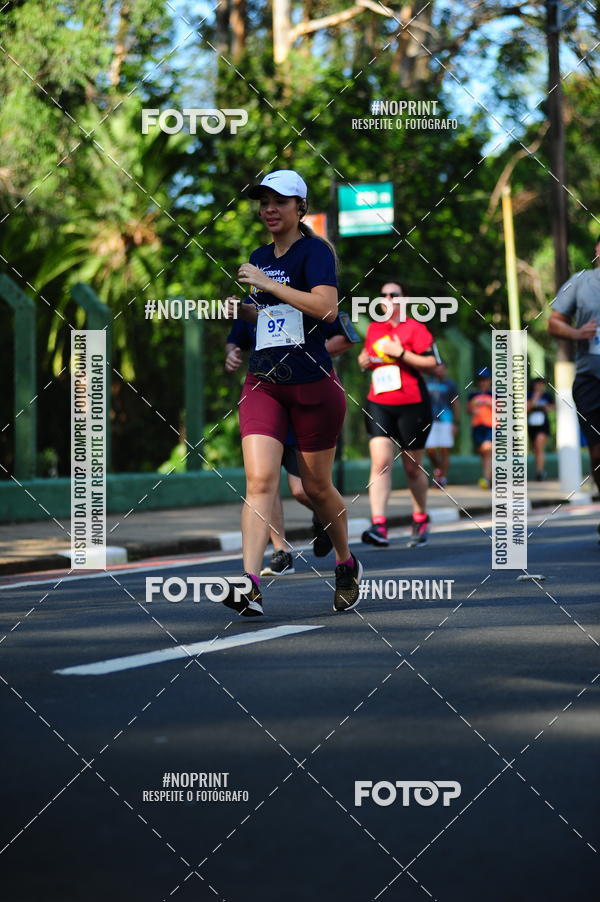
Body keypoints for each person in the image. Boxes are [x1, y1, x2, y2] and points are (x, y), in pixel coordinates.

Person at [222, 169, 364, 616]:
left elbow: (325, 308)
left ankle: (346, 562)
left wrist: (264, 284)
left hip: (313, 384)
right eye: (263, 202)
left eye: (279, 202)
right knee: (259, 481)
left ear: (300, 207)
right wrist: (243, 311)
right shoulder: (258, 254)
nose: (269, 209)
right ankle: (249, 584)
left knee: (317, 486)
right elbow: (271, 316)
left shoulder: (315, 252)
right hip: (264, 381)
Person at [224, 315, 358, 575]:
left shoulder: (309, 295)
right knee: (262, 480)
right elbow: (234, 341)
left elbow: (347, 337)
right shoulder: (254, 299)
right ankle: (279, 552)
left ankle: (326, 521)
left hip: (307, 397)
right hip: (267, 398)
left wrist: (307, 355)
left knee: (304, 489)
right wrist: (232, 353)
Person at [358, 282, 439, 548]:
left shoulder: (415, 328)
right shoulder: (374, 328)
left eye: (395, 294)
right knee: (380, 461)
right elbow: (367, 354)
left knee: (411, 467)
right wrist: (363, 360)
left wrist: (402, 353)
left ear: (405, 300)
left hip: (412, 403)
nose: (388, 298)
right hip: (378, 401)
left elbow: (434, 364)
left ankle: (420, 516)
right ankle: (379, 525)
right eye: (383, 294)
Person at [549, 236, 600, 508]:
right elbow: (554, 324)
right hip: (591, 379)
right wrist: (578, 333)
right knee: (597, 452)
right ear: (597, 249)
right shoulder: (580, 282)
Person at [424, 363, 460, 488]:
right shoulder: (426, 382)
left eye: (442, 367)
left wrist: (456, 422)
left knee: (445, 449)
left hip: (446, 420)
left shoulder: (450, 384)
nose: (439, 369)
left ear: (445, 369)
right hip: (430, 420)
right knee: (430, 449)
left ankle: (441, 478)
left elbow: (455, 403)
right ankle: (438, 469)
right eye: (437, 367)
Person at [467, 367, 493, 489]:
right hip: (477, 426)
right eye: (481, 380)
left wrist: (490, 404)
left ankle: (485, 479)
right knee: (483, 454)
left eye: (485, 379)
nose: (483, 382)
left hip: (492, 426)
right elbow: (468, 410)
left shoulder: (496, 393)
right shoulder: (473, 394)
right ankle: (491, 477)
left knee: (487, 451)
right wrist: (473, 409)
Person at [527, 377, 554, 480]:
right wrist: (535, 398)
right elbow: (526, 408)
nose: (539, 386)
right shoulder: (529, 395)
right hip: (532, 425)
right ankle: (539, 469)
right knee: (536, 448)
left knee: (539, 445)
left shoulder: (547, 396)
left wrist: (546, 407)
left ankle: (540, 471)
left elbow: (552, 407)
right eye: (538, 384)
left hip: (543, 425)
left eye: (542, 384)